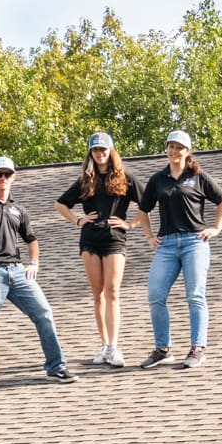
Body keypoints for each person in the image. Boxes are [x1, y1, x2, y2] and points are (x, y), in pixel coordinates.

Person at [0, 156, 76, 395]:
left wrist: (34, 263)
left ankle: (56, 367)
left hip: (18, 271)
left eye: (8, 175)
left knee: (44, 313)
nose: (3, 179)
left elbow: (32, 240)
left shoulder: (18, 209)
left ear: (14, 177)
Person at [137, 130, 222, 369]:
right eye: (171, 146)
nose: (174, 151)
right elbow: (143, 209)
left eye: (179, 147)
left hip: (194, 242)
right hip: (166, 244)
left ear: (188, 152)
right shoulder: (158, 179)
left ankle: (197, 348)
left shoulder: (198, 176)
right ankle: (162, 349)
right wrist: (148, 235)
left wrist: (216, 228)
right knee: (155, 295)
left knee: (195, 295)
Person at [54, 132, 142, 368]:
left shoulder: (126, 178)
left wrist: (130, 224)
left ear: (111, 151)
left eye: (103, 149)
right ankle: (104, 345)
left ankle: (114, 346)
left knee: (113, 290)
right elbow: (60, 204)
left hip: (114, 239)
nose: (100, 154)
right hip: (90, 240)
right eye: (95, 150)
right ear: (91, 153)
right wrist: (77, 220)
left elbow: (147, 204)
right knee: (98, 292)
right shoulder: (85, 180)